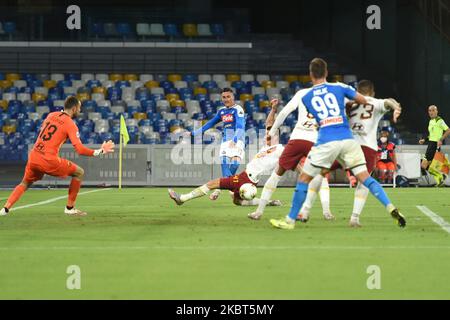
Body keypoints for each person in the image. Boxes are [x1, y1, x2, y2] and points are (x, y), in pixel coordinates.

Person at [269, 58, 406, 230]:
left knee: (305, 177)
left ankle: (291, 219)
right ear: (326, 73)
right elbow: (363, 101)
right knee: (365, 178)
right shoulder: (340, 87)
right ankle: (390, 207)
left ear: (311, 75)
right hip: (348, 140)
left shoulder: (307, 96)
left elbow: (319, 120)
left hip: (327, 141)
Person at [295, 80, 402, 228]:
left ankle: (305, 210)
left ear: (357, 91)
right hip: (368, 148)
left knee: (320, 172)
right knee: (364, 181)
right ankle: (354, 218)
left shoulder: (348, 100)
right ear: (373, 92)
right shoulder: (376, 102)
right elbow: (389, 102)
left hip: (345, 144)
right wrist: (396, 107)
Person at [0, 97, 115, 217]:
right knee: (79, 173)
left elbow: (44, 131)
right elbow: (80, 150)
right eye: (79, 108)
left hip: (34, 155)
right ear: (74, 108)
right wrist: (100, 151)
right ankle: (70, 208)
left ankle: (5, 209)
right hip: (48, 159)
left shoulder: (51, 115)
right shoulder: (70, 124)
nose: (80, 111)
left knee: (24, 183)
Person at [169, 100, 283, 207]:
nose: (266, 133)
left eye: (269, 132)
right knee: (237, 201)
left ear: (276, 136)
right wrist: (273, 109)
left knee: (212, 184)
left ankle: (182, 198)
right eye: (267, 131)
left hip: (246, 179)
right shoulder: (266, 146)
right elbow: (269, 122)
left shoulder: (279, 150)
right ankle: (269, 202)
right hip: (247, 178)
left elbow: (293, 160)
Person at [247, 85, 333, 221]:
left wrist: (272, 132)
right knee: (321, 176)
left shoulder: (303, 93)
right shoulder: (330, 96)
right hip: (315, 140)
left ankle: (258, 212)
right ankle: (327, 212)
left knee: (276, 174)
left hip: (297, 138)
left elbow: (284, 113)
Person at [191, 88, 245, 200]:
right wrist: (194, 133)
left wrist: (234, 140)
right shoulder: (221, 111)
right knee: (225, 164)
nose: (226, 99)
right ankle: (232, 190)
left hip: (238, 140)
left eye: (228, 97)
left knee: (234, 165)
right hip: (225, 141)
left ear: (233, 97)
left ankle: (218, 188)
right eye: (224, 97)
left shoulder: (238, 109)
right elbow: (210, 123)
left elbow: (240, 127)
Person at [419, 105, 450, 186]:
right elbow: (431, 135)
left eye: (433, 110)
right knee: (424, 165)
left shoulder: (439, 120)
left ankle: (440, 177)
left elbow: (448, 130)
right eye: (429, 110)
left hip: (435, 145)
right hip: (430, 144)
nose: (431, 112)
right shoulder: (430, 121)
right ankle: (440, 177)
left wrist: (441, 139)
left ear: (437, 111)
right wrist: (424, 140)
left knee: (427, 165)